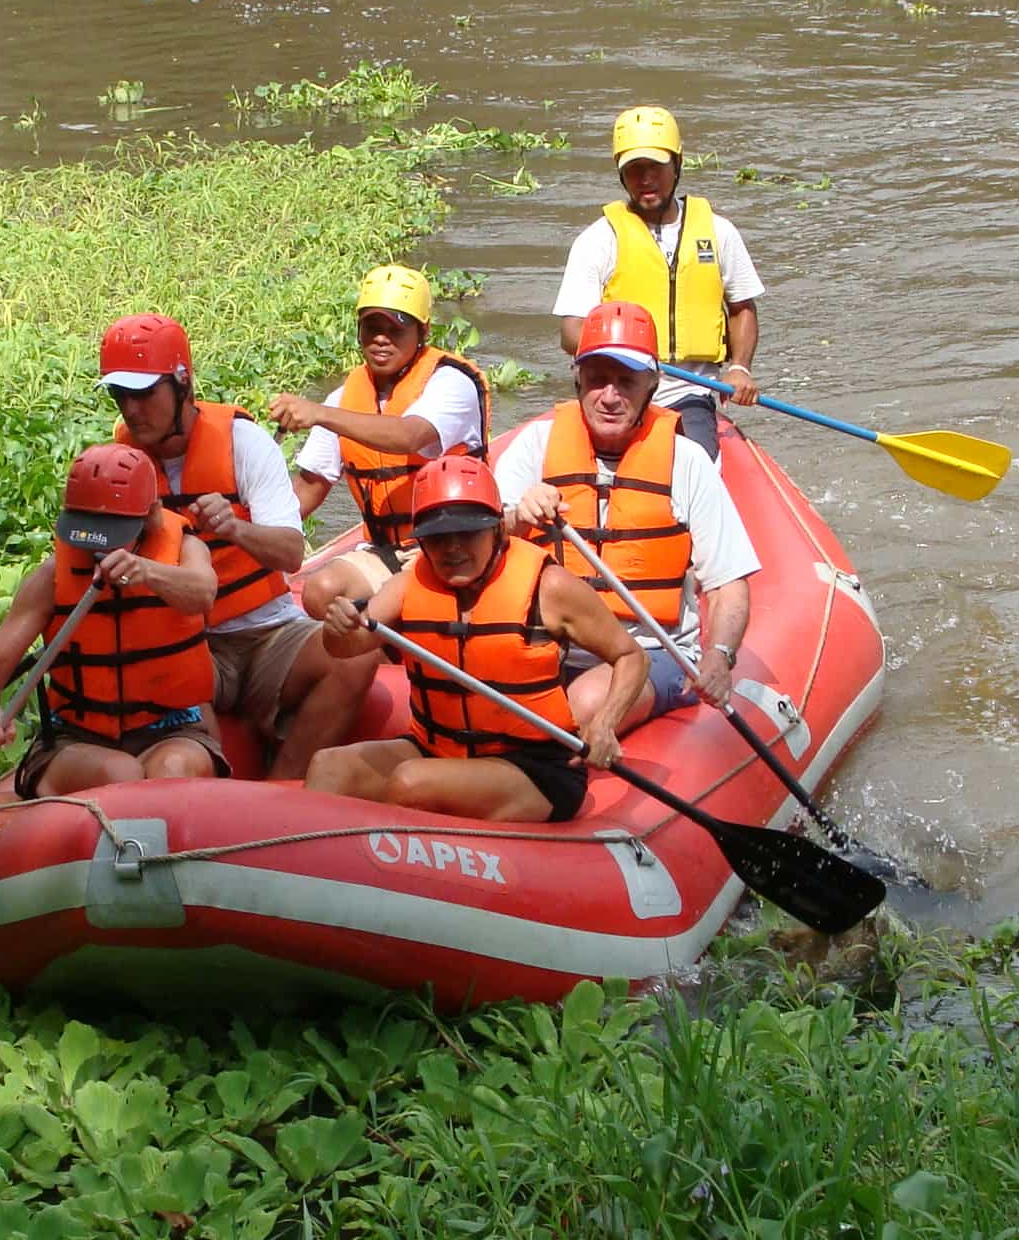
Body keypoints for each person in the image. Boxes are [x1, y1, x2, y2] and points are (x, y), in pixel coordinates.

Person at [100, 312, 378, 780]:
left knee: (358, 652)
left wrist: (235, 528)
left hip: (266, 632)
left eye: (145, 393)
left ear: (181, 385)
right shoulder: (120, 461)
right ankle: (214, 786)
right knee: (159, 674)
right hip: (184, 641)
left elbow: (291, 552)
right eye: (120, 395)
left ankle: (285, 788)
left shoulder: (241, 442)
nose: (131, 409)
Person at [306, 456, 647, 824]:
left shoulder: (551, 587)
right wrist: (337, 628)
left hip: (534, 766)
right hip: (436, 749)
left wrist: (605, 722)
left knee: (411, 783)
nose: (451, 548)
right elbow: (346, 647)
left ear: (498, 530)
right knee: (329, 767)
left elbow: (631, 656)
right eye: (437, 538)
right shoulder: (409, 583)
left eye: (467, 533)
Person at [499, 301, 760, 730]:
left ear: (651, 386)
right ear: (578, 379)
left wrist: (721, 656)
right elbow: (482, 542)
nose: (610, 395)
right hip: (549, 642)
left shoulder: (686, 460)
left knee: (584, 702)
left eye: (626, 381)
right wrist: (516, 518)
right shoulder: (536, 446)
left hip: (655, 652)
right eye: (598, 379)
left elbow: (729, 584)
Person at [0, 443, 224, 798]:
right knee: (121, 774)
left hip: (170, 728)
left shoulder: (185, 550)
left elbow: (203, 592)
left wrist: (147, 571)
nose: (98, 546)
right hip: (77, 736)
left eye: (113, 530)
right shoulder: (51, 578)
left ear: (151, 514)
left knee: (171, 770)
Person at [270, 264, 491, 618]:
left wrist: (320, 414)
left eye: (395, 329)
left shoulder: (452, 383)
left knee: (414, 600)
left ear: (423, 332)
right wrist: (247, 530)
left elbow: (410, 435)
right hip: (390, 548)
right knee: (320, 592)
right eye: (372, 328)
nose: (381, 339)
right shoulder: (344, 399)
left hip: (457, 543)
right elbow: (310, 488)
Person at [553, 103, 767, 459]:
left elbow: (742, 307)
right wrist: (631, 353)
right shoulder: (598, 239)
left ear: (678, 164)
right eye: (635, 170)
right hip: (616, 390)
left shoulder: (719, 232)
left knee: (697, 465)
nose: (646, 179)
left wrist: (740, 368)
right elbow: (571, 332)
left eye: (656, 167)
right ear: (621, 175)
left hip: (688, 393)